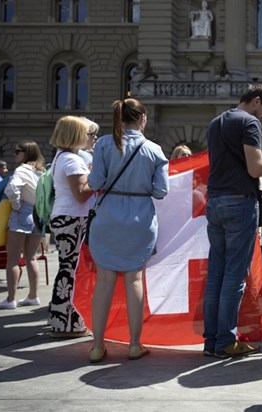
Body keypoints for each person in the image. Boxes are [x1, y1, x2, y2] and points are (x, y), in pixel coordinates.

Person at [87, 98, 169, 362]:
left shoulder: (102, 144)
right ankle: (135, 343)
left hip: (108, 216)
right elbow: (161, 191)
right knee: (134, 280)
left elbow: (96, 181)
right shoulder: (154, 150)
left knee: (104, 282)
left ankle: (97, 346)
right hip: (139, 219)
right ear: (142, 118)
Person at [203, 84, 262, 359]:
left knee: (216, 275)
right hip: (240, 201)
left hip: (215, 201)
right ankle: (226, 341)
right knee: (234, 275)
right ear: (256, 101)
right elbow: (256, 167)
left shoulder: (215, 123)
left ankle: (211, 341)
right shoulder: (249, 123)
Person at [48, 116, 96, 337]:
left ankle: (62, 319)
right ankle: (67, 321)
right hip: (73, 217)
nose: (90, 138)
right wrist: (97, 177)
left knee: (67, 268)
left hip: (65, 216)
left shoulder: (62, 157)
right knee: (71, 269)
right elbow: (81, 195)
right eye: (87, 133)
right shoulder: (71, 160)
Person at [0, 142, 45, 309]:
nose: (15, 154)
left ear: (27, 153)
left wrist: (16, 206)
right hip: (38, 215)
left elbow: (12, 189)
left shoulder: (22, 170)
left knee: (13, 259)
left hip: (23, 212)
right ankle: (33, 296)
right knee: (31, 258)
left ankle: (11, 299)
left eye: (18, 151)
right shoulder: (41, 171)